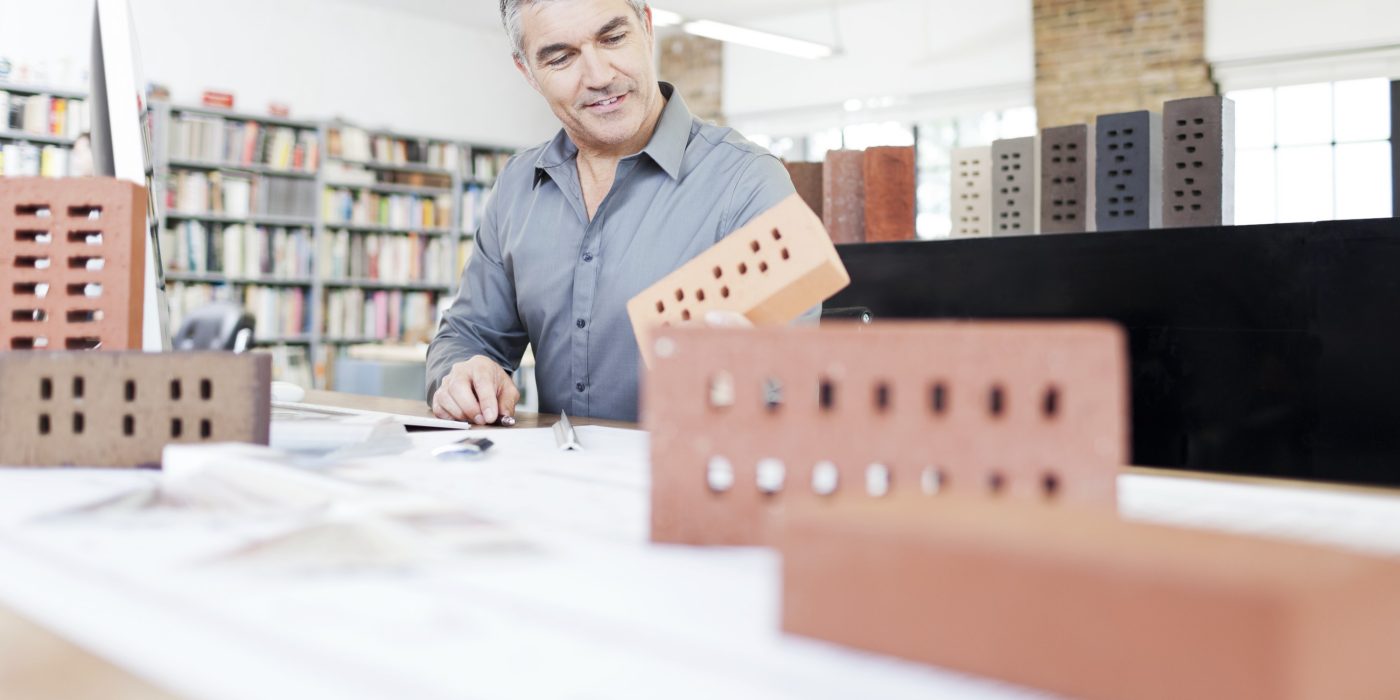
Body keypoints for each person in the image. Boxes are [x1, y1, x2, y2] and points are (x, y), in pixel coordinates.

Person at [427, 0, 801, 425]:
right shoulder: (517, 187)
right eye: (562, 57)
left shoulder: (749, 182)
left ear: (646, 26)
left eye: (613, 37)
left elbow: (786, 386)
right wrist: (463, 376)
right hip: (552, 481)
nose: (600, 76)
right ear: (527, 71)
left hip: (694, 481)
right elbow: (466, 336)